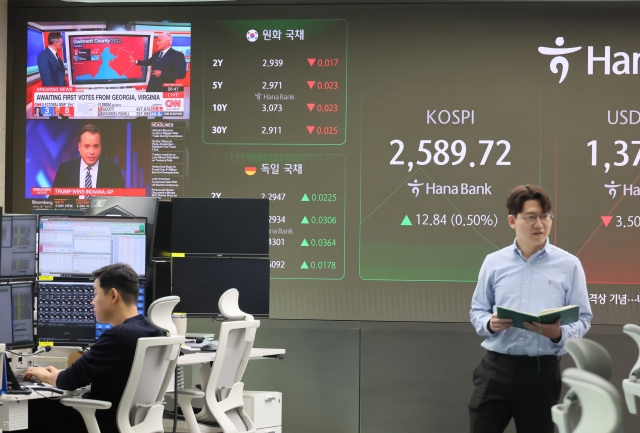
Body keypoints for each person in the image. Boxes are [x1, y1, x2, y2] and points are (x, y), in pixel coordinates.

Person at [468, 184, 592, 433]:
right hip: (495, 368)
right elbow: (477, 311)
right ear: (513, 221)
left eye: (545, 216)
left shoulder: (569, 265)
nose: (540, 224)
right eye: (531, 217)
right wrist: (489, 324)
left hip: (541, 371)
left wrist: (558, 334)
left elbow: (584, 318)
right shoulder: (494, 262)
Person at [24, 263, 163, 433]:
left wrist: (45, 375)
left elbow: (68, 381)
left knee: (27, 410)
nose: (92, 301)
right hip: (132, 423)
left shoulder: (118, 336)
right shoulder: (154, 332)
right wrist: (57, 374)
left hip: (98, 423)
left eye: (96, 293)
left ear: (113, 295)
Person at [52, 124, 125, 192]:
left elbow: (121, 202)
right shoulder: (65, 170)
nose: (92, 152)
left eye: (95, 146)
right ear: (79, 147)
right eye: (87, 146)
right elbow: (52, 202)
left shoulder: (113, 171)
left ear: (101, 147)